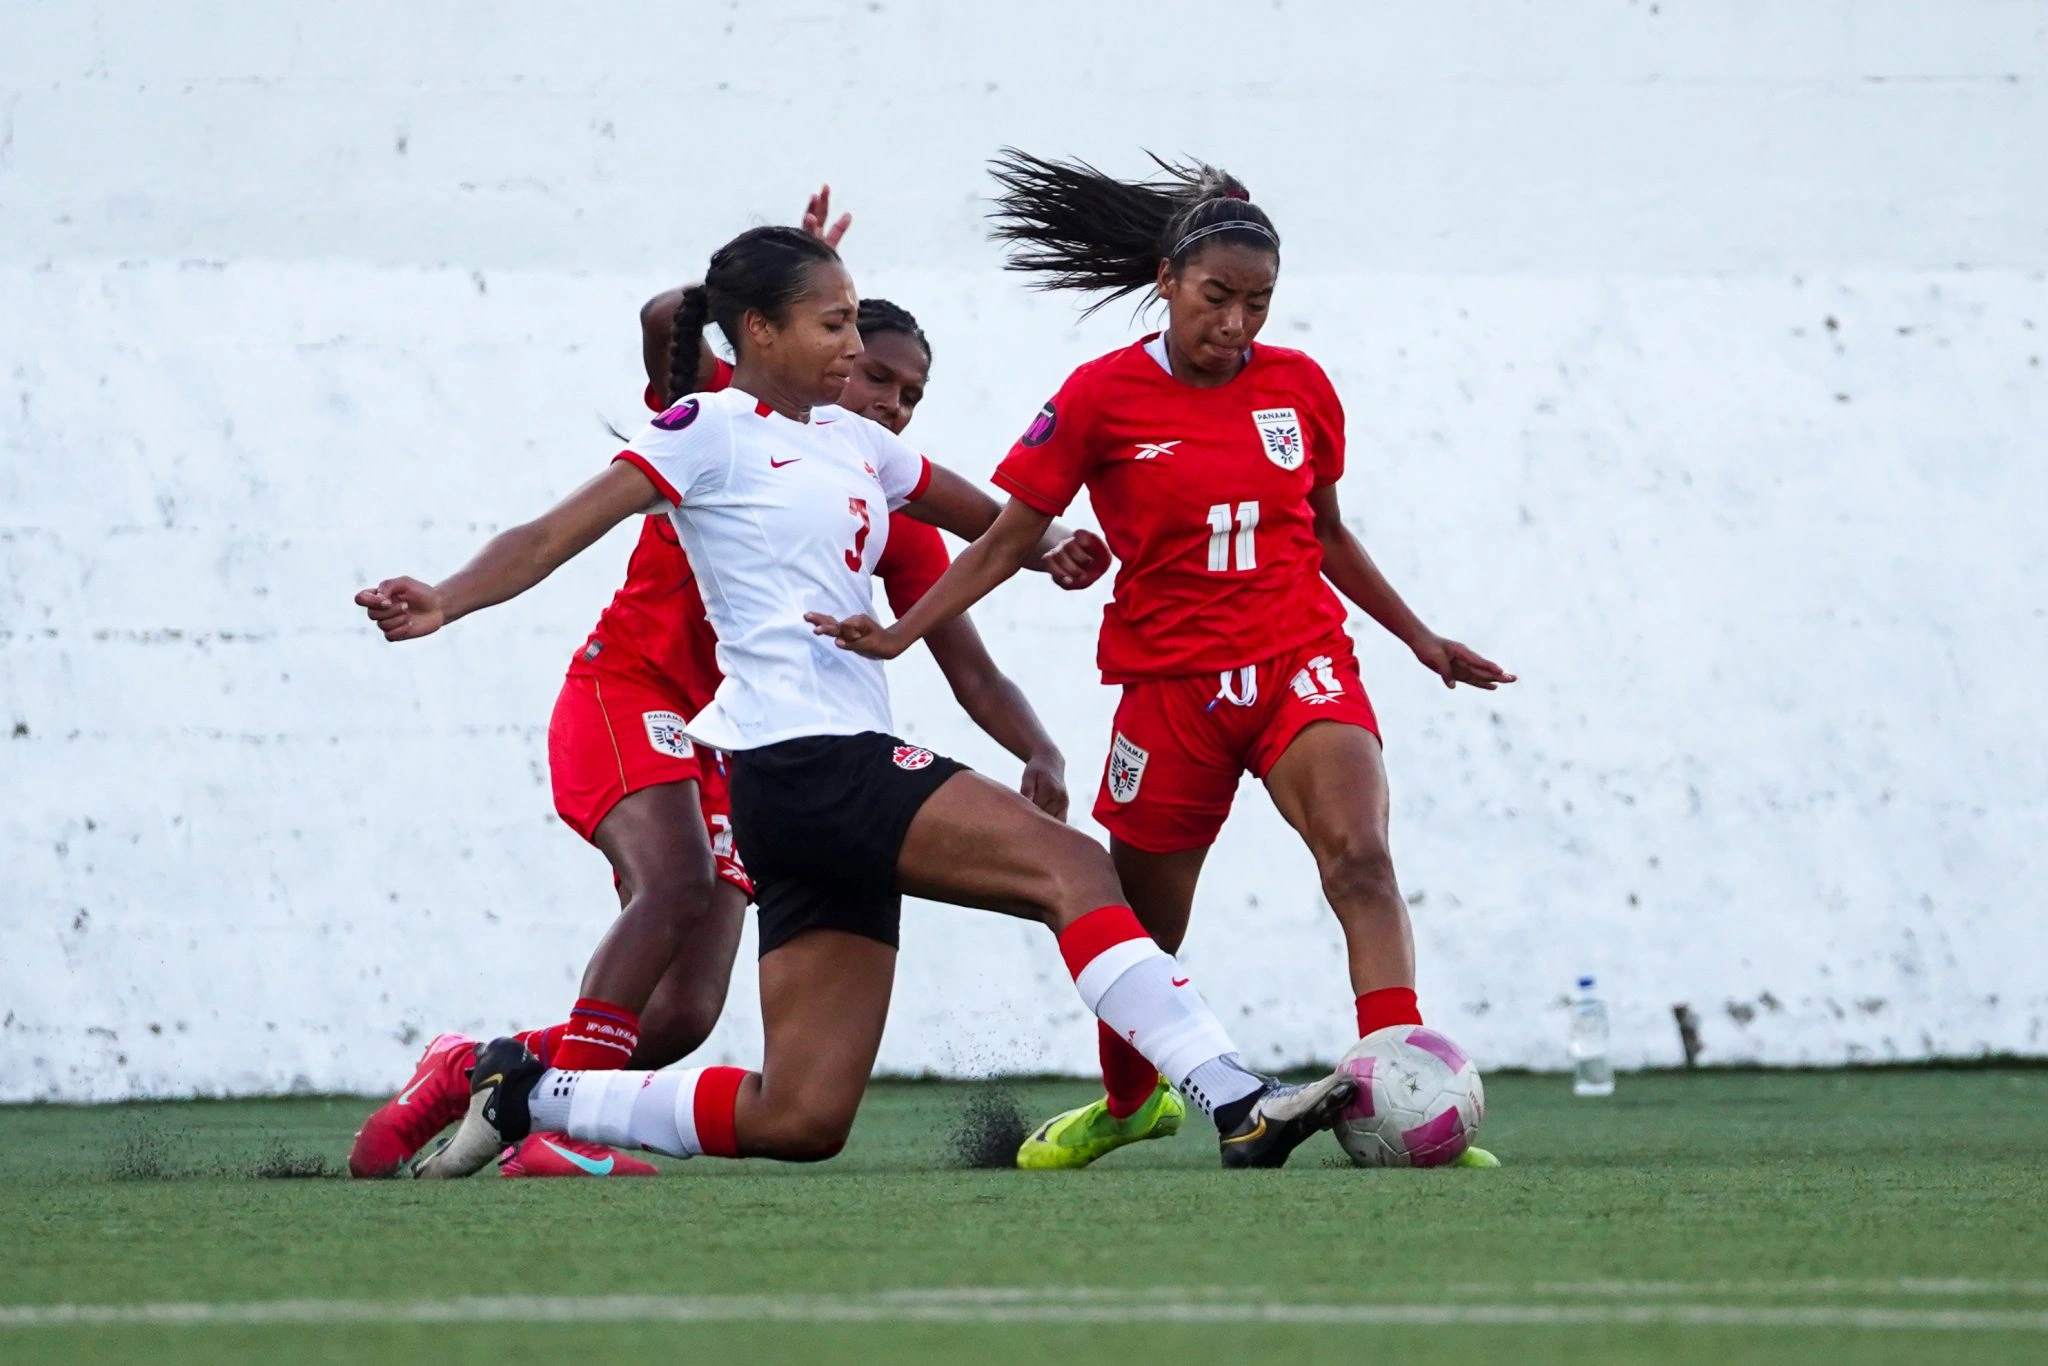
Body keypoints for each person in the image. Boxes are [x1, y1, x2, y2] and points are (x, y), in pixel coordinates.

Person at [357, 223, 1356, 1175]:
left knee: (801, 1116)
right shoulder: (706, 429)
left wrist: (1050, 545)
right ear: (759, 330)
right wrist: (447, 596)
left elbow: (974, 509)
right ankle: (1234, 1096)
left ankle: (532, 1097)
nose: (851, 344)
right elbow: (547, 534)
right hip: (809, 758)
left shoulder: (850, 440)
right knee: (1076, 869)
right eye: (833, 324)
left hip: (794, 792)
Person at [808, 151, 1512, 1170]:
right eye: (1216, 298)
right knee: (1139, 928)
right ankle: (1132, 1103)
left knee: (1359, 858)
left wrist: (1418, 637)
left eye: (1258, 303)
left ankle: (1398, 1103)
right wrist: (900, 632)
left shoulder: (1301, 387)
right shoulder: (1100, 397)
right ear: (1167, 283)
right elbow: (1007, 538)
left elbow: (1325, 531)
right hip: (1171, 691)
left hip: (1298, 660)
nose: (1235, 324)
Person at [348, 201, 1075, 1180]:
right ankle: (553, 1132)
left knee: (681, 1015)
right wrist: (766, 279)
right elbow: (656, 337)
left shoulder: (880, 503)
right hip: (629, 691)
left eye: (911, 393)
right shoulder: (719, 420)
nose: (889, 398)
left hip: (742, 745)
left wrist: (1036, 743)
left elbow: (969, 659)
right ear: (785, 341)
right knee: (678, 881)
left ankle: (473, 1068)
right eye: (861, 357)